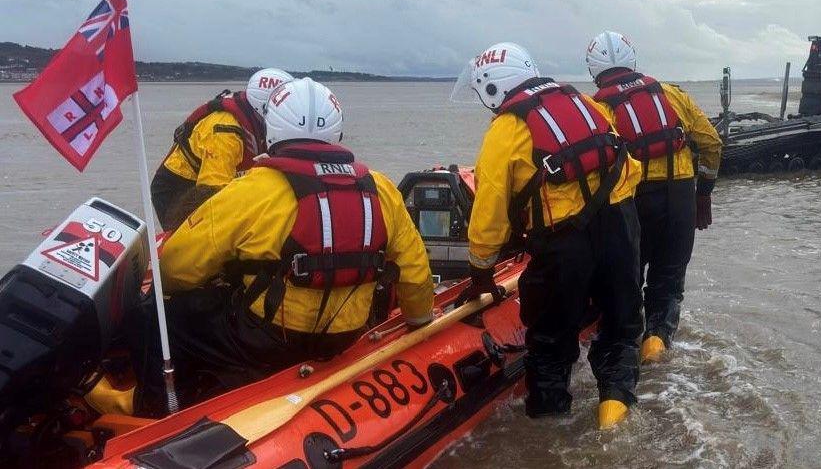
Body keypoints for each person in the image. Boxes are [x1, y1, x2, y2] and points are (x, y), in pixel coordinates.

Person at [133, 78, 435, 414]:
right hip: (347, 334)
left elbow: (176, 268)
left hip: (268, 341)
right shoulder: (381, 189)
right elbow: (415, 270)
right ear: (337, 132)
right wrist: (420, 319)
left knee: (157, 317)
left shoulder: (251, 189)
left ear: (272, 129)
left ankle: (155, 412)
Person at [452, 42, 643, 429]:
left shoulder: (505, 130)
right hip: (622, 226)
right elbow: (628, 166)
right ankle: (614, 414)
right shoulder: (586, 104)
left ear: (492, 88)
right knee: (622, 328)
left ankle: (549, 429)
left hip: (563, 245)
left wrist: (481, 271)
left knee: (550, 345)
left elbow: (489, 208)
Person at [586, 30, 722, 363]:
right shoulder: (672, 94)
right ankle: (658, 346)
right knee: (669, 281)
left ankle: (623, 356)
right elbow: (711, 144)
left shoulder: (596, 108)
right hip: (680, 198)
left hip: (631, 204)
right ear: (633, 60)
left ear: (594, 71)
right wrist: (702, 195)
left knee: (627, 281)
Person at [149, 68, 294, 230]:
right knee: (196, 241)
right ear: (265, 107)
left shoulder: (254, 115)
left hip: (218, 181)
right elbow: (212, 193)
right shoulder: (224, 131)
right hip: (180, 188)